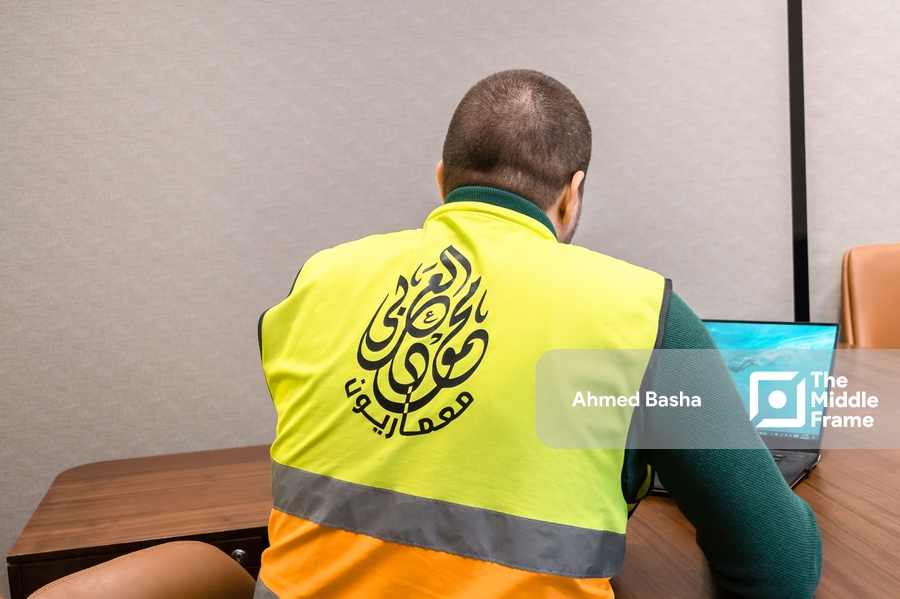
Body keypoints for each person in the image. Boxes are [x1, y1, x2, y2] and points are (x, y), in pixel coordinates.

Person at [254, 70, 822, 599]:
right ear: (573, 193)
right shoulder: (639, 312)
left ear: (442, 179)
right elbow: (780, 565)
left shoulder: (318, 278)